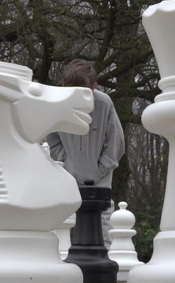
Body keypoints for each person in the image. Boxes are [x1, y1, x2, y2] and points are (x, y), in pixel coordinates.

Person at [45, 59, 126, 247]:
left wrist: (101, 168)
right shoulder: (56, 104)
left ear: (95, 87)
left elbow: (116, 142)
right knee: (62, 221)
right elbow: (51, 137)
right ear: (63, 87)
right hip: (68, 174)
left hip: (101, 175)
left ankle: (106, 265)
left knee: (104, 222)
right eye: (72, 92)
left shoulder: (104, 103)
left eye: (84, 93)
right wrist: (65, 163)